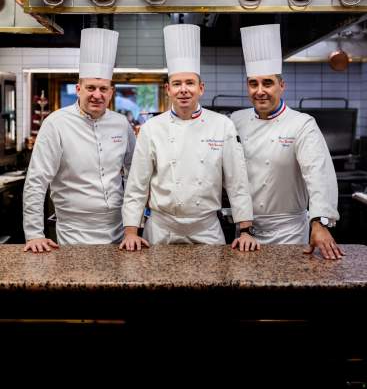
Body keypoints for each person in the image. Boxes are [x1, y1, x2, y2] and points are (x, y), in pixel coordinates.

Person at [120, 23, 258, 252]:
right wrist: (131, 231)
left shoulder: (222, 125)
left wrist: (245, 231)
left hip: (207, 229)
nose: (183, 89)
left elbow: (237, 182)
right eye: (177, 84)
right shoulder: (152, 128)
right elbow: (137, 184)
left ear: (201, 88)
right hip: (161, 229)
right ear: (168, 89)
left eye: (189, 83)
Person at [231, 23, 344, 260]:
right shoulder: (236, 120)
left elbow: (317, 173)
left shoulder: (301, 123)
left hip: (289, 232)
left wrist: (319, 222)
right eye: (253, 83)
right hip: (245, 233)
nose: (260, 91)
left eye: (267, 83)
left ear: (282, 86)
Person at [23, 28, 135, 252]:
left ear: (111, 92)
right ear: (78, 89)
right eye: (90, 88)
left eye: (103, 88)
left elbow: (135, 173)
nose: (97, 94)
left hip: (119, 230)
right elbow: (37, 180)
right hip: (74, 231)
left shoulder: (121, 124)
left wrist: (134, 224)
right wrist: (34, 234)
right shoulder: (56, 123)